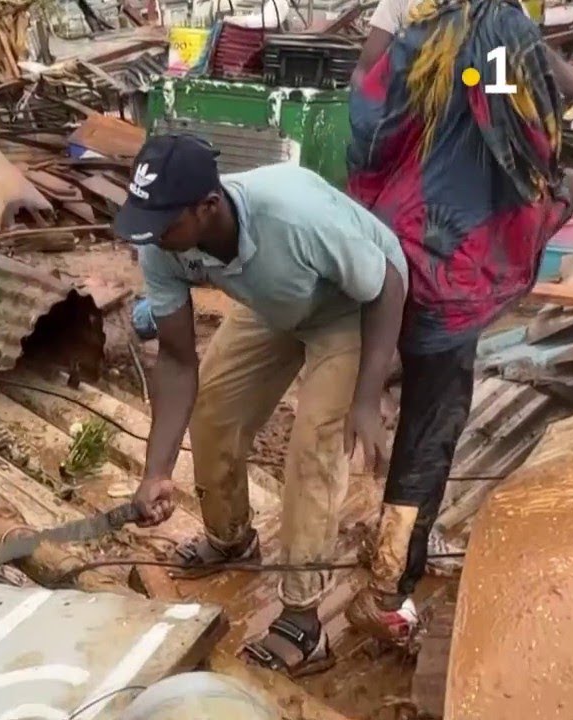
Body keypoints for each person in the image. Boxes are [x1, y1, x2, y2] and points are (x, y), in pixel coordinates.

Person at [117, 132, 408, 676]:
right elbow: (179, 361)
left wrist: (367, 398)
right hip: (277, 304)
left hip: (351, 308)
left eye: (162, 224)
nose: (150, 237)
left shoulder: (292, 215)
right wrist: (157, 472)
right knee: (215, 411)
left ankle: (304, 619)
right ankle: (231, 539)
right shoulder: (163, 242)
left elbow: (388, 283)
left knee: (315, 446)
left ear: (208, 207)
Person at [346, 0, 573, 643]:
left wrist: (458, 89)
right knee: (433, 422)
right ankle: (386, 591)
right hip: (452, 255)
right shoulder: (498, 31)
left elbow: (367, 96)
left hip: (389, 230)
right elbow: (519, 120)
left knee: (393, 394)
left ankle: (367, 551)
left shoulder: (418, 27)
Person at [355, 0, 573, 117]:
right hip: (431, 141)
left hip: (484, 141)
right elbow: (365, 72)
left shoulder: (502, 8)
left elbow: (534, 51)